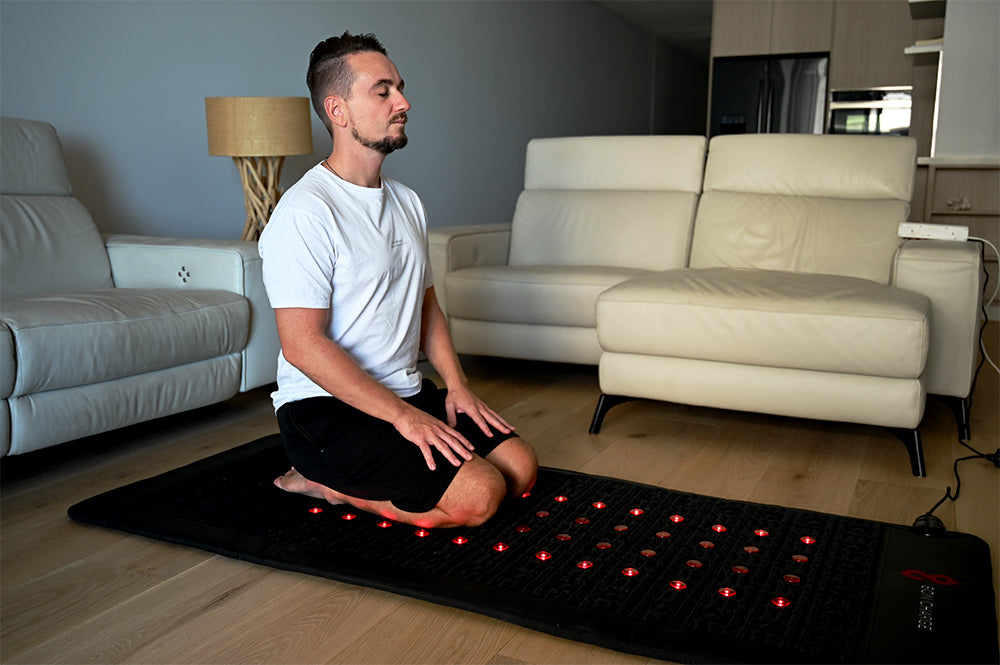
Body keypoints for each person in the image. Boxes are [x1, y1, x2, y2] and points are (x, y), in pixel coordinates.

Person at [258, 31, 537, 529]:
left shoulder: (407, 201)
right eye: (382, 91)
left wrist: (457, 387)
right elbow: (302, 346)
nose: (403, 103)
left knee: (520, 469)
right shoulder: (305, 212)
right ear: (338, 110)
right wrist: (404, 419)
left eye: (400, 88)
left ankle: (359, 467)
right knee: (481, 496)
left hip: (403, 390)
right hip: (326, 408)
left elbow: (426, 305)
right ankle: (323, 480)